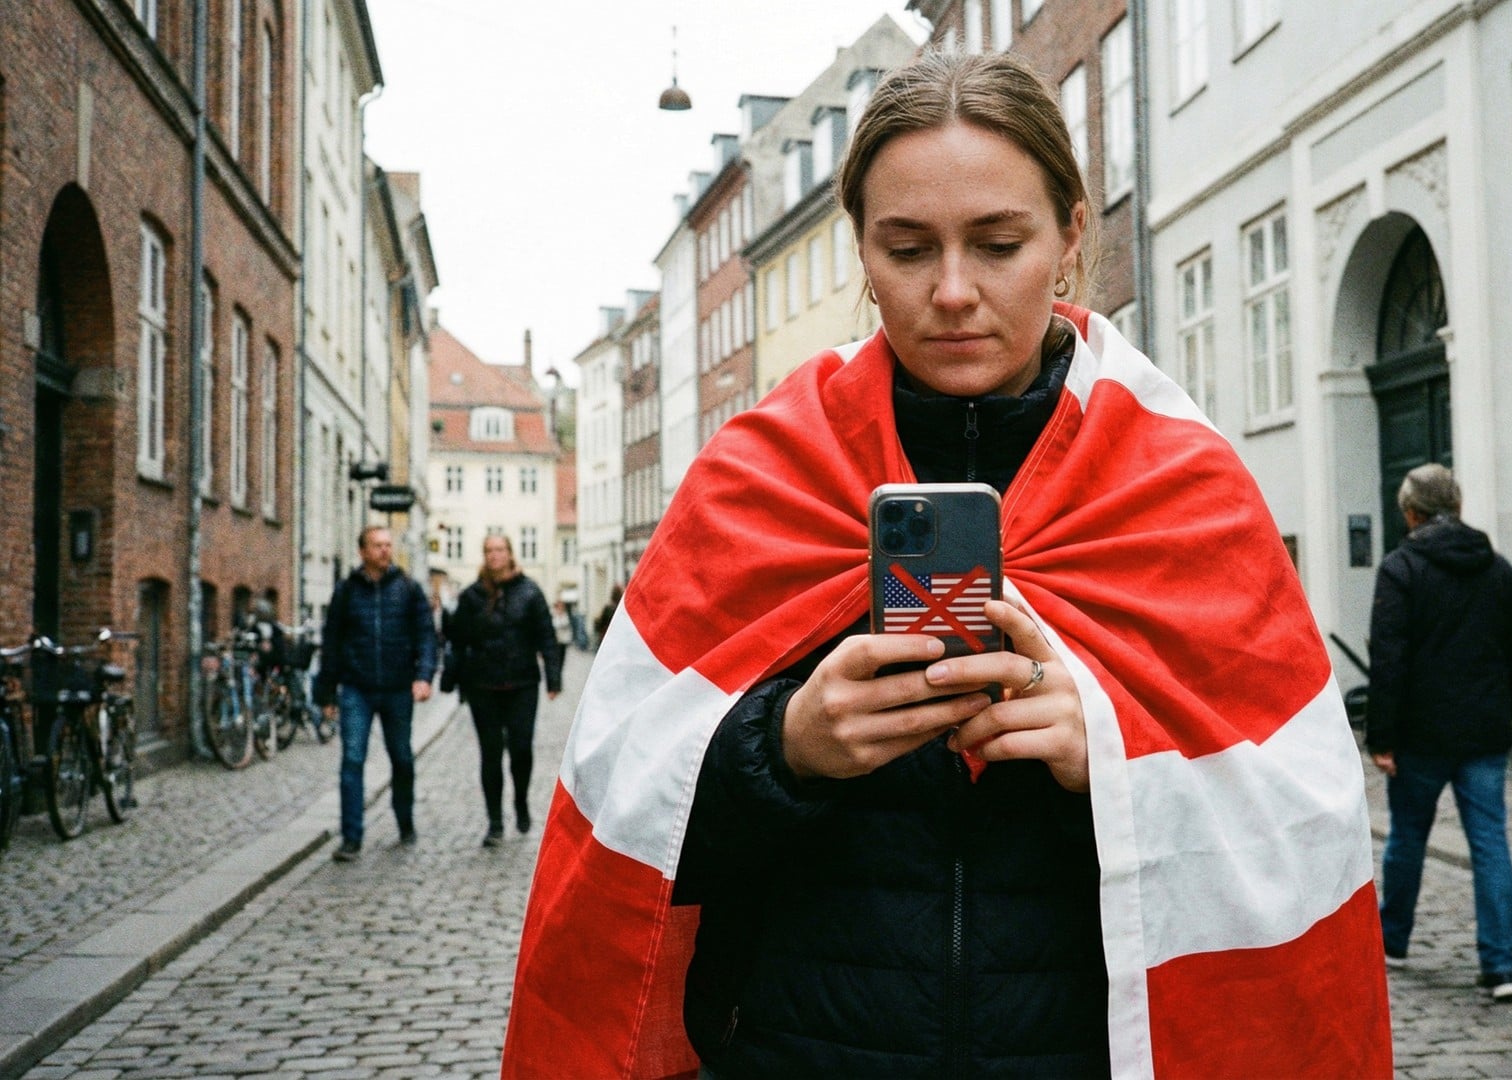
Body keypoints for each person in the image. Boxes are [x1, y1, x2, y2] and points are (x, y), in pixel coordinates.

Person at [503, 52, 1390, 1078]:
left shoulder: (1184, 487)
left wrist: (1106, 757)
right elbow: (623, 840)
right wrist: (783, 746)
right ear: (863, 254)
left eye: (999, 243)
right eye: (909, 248)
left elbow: (1301, 827)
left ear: (1068, 236)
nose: (955, 292)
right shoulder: (757, 474)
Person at [1366, 463, 1512, 1002]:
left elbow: (1388, 658)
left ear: (1411, 513)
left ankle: (1392, 941)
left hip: (1420, 735)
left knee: (1408, 838)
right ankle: (1501, 967)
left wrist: (1382, 736)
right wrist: (1506, 711)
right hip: (1483, 733)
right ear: (1458, 508)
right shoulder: (1498, 569)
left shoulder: (1401, 569)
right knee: (1490, 845)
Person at [315, 525, 437, 863]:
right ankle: (351, 837)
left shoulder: (408, 589)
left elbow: (426, 635)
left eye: (388, 544)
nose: (385, 550)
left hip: (398, 688)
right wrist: (326, 694)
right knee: (352, 760)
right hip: (357, 688)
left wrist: (423, 676)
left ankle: (404, 820)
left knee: (402, 758)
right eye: (378, 545)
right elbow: (332, 643)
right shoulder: (347, 591)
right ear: (363, 551)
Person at [442, 534, 564, 847]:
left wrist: (553, 677)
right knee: (491, 753)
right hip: (483, 685)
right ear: (484, 556)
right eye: (489, 551)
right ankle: (495, 822)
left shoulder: (529, 591)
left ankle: (521, 800)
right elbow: (458, 640)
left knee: (521, 749)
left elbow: (546, 636)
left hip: (522, 683)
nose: (494, 556)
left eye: (500, 550)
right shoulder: (472, 596)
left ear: (510, 554)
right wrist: (452, 677)